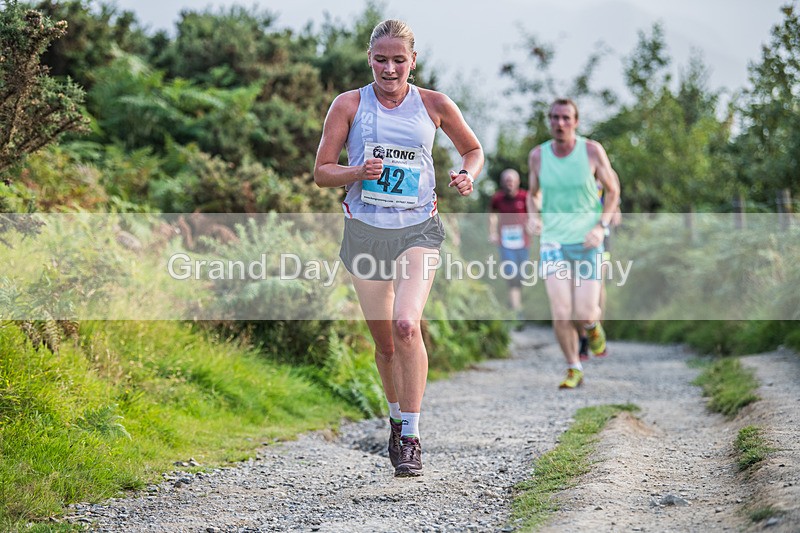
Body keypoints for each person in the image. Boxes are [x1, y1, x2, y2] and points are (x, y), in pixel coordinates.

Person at [313, 19, 483, 476]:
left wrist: (468, 175)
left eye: (398, 60)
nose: (390, 69)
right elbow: (322, 171)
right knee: (385, 344)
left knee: (407, 324)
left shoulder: (434, 104)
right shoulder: (348, 105)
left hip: (417, 229)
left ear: (413, 61)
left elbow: (473, 150)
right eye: (381, 60)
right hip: (366, 230)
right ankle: (393, 418)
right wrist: (356, 173)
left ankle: (411, 435)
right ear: (370, 59)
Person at [527, 98, 620, 389]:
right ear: (549, 121)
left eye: (566, 118)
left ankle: (592, 327)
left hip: (588, 240)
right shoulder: (538, 156)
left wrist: (601, 226)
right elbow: (533, 194)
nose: (560, 123)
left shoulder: (592, 151)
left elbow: (614, 191)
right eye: (554, 118)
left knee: (584, 312)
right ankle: (573, 367)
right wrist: (533, 216)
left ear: (576, 122)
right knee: (561, 310)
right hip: (553, 239)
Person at [577, 177, 621, 360]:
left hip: (601, 241)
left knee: (598, 286)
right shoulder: (575, 177)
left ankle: (595, 329)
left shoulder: (607, 177)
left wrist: (604, 221)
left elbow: (616, 214)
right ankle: (582, 339)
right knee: (577, 289)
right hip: (576, 240)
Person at [489, 168, 533, 319]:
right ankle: (517, 312)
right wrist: (493, 233)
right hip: (505, 242)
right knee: (511, 273)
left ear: (518, 182)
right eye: (507, 181)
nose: (510, 184)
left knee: (522, 274)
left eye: (512, 181)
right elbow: (493, 216)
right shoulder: (497, 198)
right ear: (502, 183)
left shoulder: (525, 197)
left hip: (523, 242)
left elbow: (534, 214)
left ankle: (517, 303)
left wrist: (531, 224)